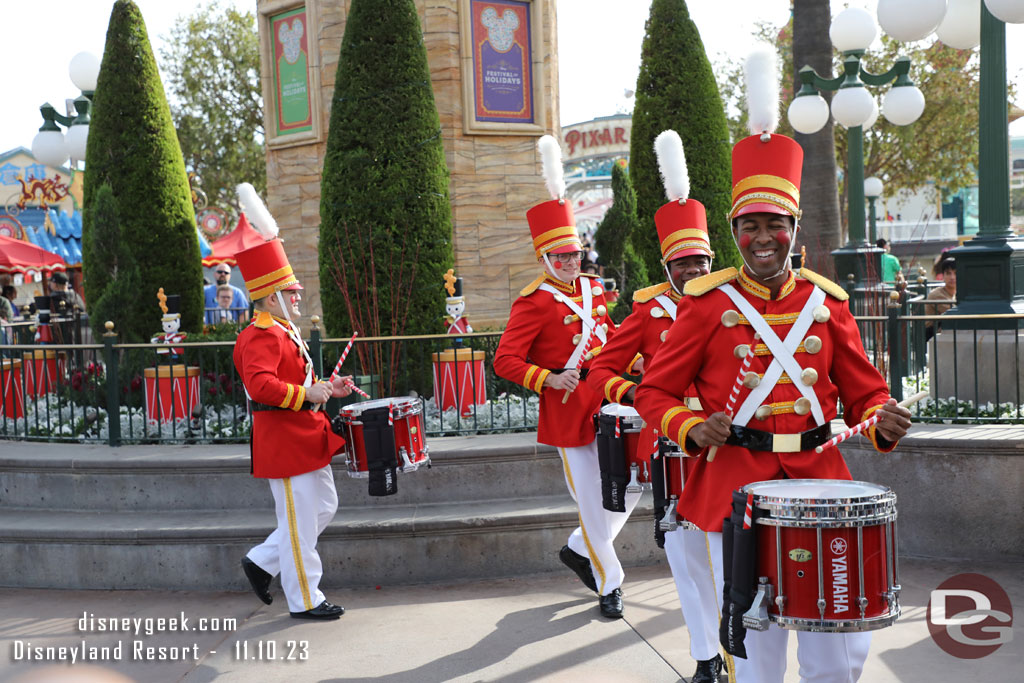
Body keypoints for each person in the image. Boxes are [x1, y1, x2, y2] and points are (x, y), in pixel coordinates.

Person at [635, 63, 912, 682]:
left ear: (793, 230)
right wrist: (688, 426)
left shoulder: (826, 303)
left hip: (820, 482)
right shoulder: (707, 304)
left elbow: (866, 396)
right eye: (750, 226)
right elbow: (655, 390)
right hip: (735, 487)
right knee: (757, 652)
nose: (764, 237)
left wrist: (883, 421)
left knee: (836, 644)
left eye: (775, 225)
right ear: (734, 232)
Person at [586, 129, 723, 682]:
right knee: (687, 563)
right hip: (672, 449)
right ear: (667, 267)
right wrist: (639, 398)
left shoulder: (735, 304)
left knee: (732, 558)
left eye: (699, 259)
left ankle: (740, 654)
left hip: (729, 447)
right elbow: (599, 371)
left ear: (712, 257)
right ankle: (707, 657)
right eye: (681, 263)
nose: (691, 270)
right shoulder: (645, 312)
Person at [494, 135, 629, 619]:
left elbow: (610, 336)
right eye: (562, 257)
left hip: (608, 403)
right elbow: (504, 360)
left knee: (628, 488)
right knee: (593, 501)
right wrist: (547, 379)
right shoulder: (532, 301)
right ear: (545, 259)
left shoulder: (594, 289)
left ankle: (579, 548)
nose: (572, 263)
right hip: (569, 410)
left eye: (574, 254)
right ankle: (609, 582)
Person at [233, 199, 354, 621]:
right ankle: (306, 598)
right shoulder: (259, 334)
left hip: (306, 435)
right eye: (291, 292)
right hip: (284, 439)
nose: (298, 297)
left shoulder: (283, 331)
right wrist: (309, 395)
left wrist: (328, 389)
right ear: (269, 298)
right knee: (302, 521)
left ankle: (263, 561)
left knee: (322, 508)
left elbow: (300, 385)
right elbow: (260, 386)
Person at [924, 254, 956, 341]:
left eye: (955, 273)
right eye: (948, 273)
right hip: (931, 336)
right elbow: (955, 312)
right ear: (943, 275)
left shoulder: (957, 292)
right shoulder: (937, 294)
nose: (952, 277)